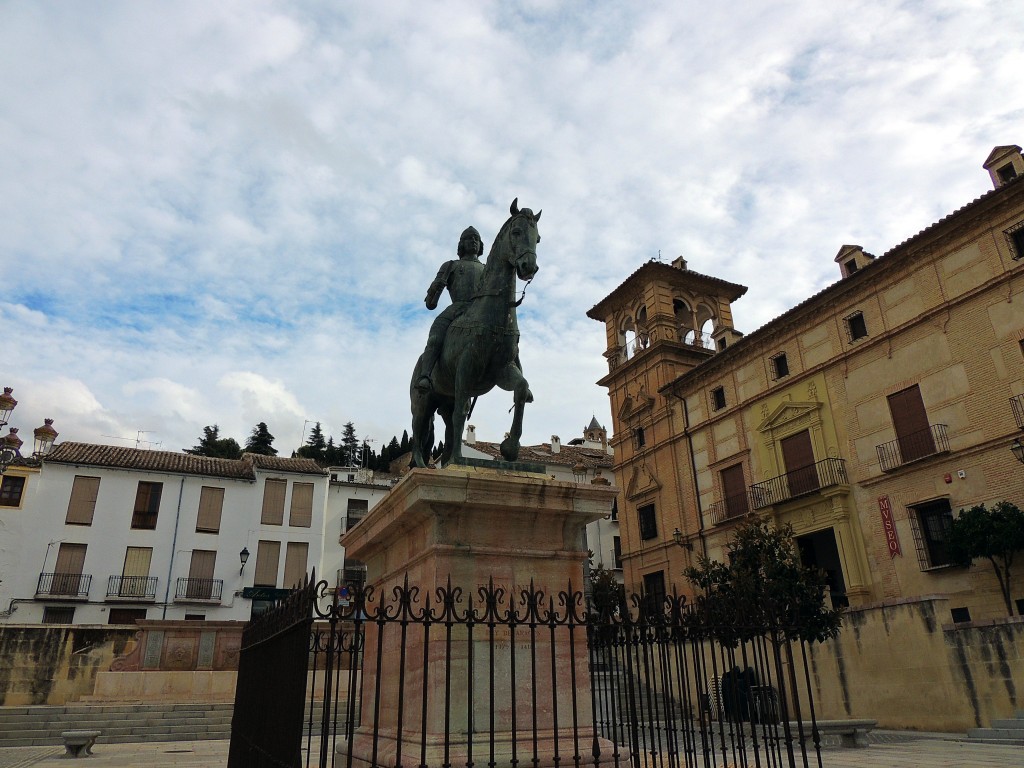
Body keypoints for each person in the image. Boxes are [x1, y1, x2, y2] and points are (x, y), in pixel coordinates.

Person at [415, 226, 485, 392]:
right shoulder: (450, 265)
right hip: (456, 308)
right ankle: (425, 374)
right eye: (469, 238)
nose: (473, 241)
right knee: (435, 337)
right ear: (461, 244)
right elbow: (431, 304)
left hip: (481, 311)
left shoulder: (488, 268)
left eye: (476, 239)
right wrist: (434, 288)